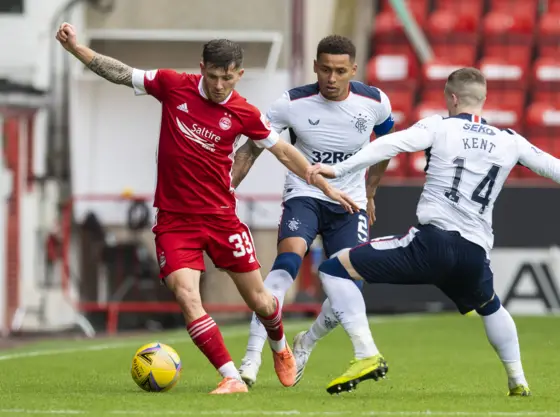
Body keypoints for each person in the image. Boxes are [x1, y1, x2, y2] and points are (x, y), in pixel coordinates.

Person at [55, 22, 358, 395]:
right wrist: (76, 48)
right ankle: (231, 375)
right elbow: (120, 72)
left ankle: (280, 348)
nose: (219, 86)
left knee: (261, 301)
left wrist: (323, 184)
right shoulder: (172, 85)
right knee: (186, 295)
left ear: (239, 75)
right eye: (213, 76)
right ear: (202, 68)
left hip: (220, 219)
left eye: (227, 79)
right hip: (173, 220)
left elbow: (282, 151)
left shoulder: (245, 112)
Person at [306, 67, 560, 395]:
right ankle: (518, 379)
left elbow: (390, 144)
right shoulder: (509, 141)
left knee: (335, 269)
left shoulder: (439, 127)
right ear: (484, 100)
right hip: (474, 253)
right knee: (490, 304)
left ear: (452, 97)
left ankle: (365, 353)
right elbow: (556, 168)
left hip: (431, 244)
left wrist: (339, 168)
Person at [230, 35, 395, 387]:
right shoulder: (291, 104)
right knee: (287, 263)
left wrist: (371, 192)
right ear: (315, 67)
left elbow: (385, 146)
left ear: (353, 69)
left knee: (349, 287)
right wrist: (226, 189)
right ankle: (252, 358)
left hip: (348, 203)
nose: (331, 78)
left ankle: (306, 341)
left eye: (339, 71)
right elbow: (250, 150)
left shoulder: (376, 102)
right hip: (304, 194)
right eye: (324, 70)